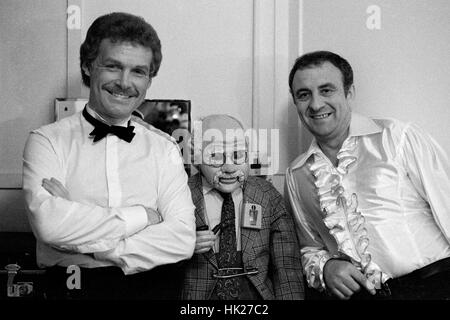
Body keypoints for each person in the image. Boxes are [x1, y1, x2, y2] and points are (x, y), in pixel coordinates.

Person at [22, 12, 196, 299]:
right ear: (88, 66)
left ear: (149, 80)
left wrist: (90, 244)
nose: (125, 82)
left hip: (152, 290)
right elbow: (50, 226)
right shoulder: (46, 141)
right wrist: (143, 216)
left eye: (138, 71)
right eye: (113, 66)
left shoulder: (164, 148)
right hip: (72, 288)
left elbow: (181, 239)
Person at [285, 50, 450, 300]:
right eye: (304, 95)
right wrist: (326, 267)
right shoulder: (295, 174)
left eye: (327, 90)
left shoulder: (399, 137)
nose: (316, 104)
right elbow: (309, 247)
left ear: (349, 93)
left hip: (435, 287)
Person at [181, 114, 304, 300]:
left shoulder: (266, 195)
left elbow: (287, 267)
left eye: (238, 155)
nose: (229, 167)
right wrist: (182, 244)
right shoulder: (180, 195)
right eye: (215, 156)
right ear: (195, 157)